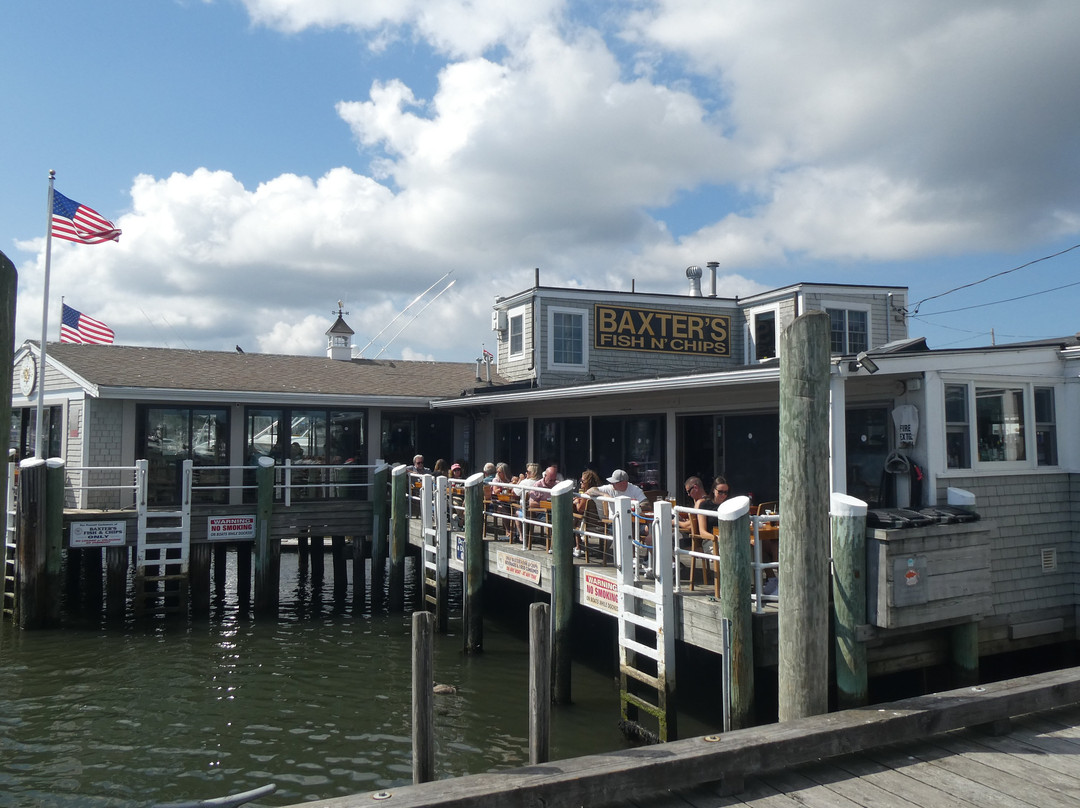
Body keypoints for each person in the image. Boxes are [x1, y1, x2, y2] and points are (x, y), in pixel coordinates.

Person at [573, 469, 604, 558]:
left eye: (582, 481)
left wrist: (576, 502)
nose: (581, 483)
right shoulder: (598, 492)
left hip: (587, 523)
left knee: (576, 519)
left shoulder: (587, 494)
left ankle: (578, 548)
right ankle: (601, 551)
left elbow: (580, 509)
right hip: (600, 522)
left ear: (588, 482)